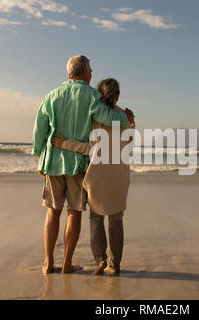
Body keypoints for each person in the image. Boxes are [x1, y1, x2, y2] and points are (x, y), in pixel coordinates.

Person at [32, 55, 134, 274]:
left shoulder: (51, 96)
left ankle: (48, 263)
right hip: (77, 164)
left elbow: (39, 129)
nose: (92, 72)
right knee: (74, 212)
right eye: (90, 69)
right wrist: (127, 118)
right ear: (85, 71)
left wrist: (39, 156)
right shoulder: (92, 97)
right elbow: (111, 119)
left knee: (52, 212)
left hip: (52, 161)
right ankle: (66, 264)